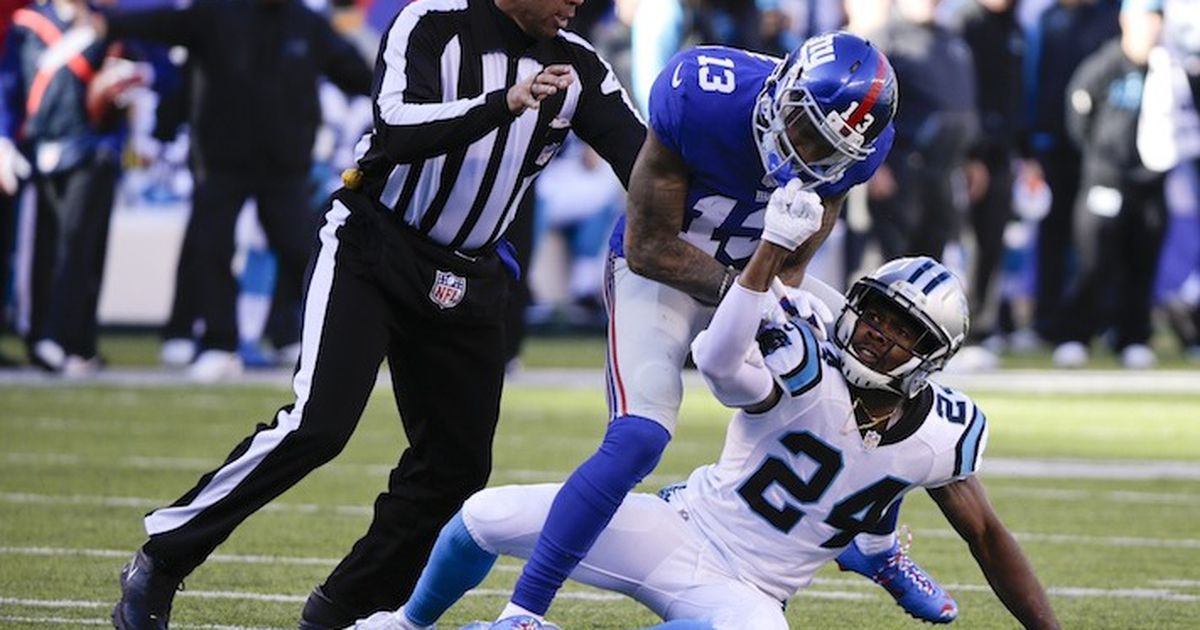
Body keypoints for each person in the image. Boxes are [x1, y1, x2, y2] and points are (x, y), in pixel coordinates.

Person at [109, 0, 647, 629]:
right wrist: (503, 101)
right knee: (317, 425)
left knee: (456, 469)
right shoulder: (430, 22)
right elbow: (396, 127)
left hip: (469, 276)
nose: (578, 2)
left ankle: (345, 608)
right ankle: (161, 559)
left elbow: (644, 160)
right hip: (375, 246)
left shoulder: (578, 63)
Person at [345, 195, 1060, 630]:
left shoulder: (945, 435)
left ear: (928, 355)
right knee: (485, 516)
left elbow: (989, 539)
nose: (876, 331)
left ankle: (875, 551)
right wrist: (770, 255)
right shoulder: (806, 360)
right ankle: (406, 621)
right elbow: (719, 363)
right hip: (682, 524)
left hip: (752, 587)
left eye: (901, 329)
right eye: (874, 312)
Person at [493, 31, 959, 630]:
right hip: (666, 269)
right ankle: (523, 612)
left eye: (827, 148)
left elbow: (795, 261)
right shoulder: (702, 95)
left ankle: (874, 547)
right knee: (638, 438)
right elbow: (648, 247)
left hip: (758, 273)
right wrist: (747, 297)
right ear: (782, 94)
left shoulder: (862, 147)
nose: (806, 153)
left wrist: (772, 305)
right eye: (803, 128)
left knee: (878, 379)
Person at [88, 0, 375, 381]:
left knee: (301, 251)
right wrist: (106, 23)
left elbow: (354, 72)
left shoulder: (306, 24)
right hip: (222, 162)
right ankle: (219, 343)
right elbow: (162, 22)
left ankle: (297, 334)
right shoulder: (214, 13)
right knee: (211, 249)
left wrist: (399, 93)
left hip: (284, 165)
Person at [0, 0, 143, 375]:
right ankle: (43, 336)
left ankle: (75, 339)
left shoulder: (107, 24)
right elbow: (10, 82)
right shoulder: (29, 23)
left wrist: (123, 88)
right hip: (41, 146)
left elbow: (140, 72)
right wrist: (4, 138)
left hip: (92, 148)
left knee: (82, 245)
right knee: (42, 247)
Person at [1052, 0, 1167, 368]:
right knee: (1093, 261)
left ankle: (1132, 336)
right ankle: (1077, 335)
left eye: (1156, 19)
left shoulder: (1169, 71)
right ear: (1125, 20)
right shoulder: (1102, 66)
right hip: (1104, 181)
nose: (1151, 27)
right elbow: (1078, 121)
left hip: (1150, 183)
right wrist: (1105, 165)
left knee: (1141, 261)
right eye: (1144, 18)